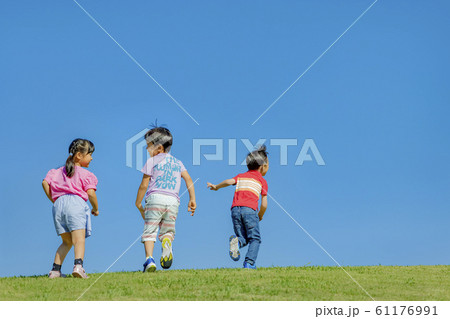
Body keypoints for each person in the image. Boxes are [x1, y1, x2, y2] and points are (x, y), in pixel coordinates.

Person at [135, 126, 196, 272]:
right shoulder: (178, 163)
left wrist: (138, 202)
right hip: (173, 201)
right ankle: (167, 240)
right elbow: (188, 179)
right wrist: (192, 198)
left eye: (148, 146)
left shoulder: (152, 161)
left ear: (159, 148)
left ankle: (149, 259)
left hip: (155, 198)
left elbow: (144, 184)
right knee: (167, 230)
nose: (147, 150)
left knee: (150, 230)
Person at [42, 138, 99, 279]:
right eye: (90, 154)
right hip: (75, 204)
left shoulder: (56, 172)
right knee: (78, 240)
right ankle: (78, 267)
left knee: (66, 241)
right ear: (79, 155)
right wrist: (95, 208)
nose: (91, 158)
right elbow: (91, 193)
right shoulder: (86, 174)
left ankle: (55, 271)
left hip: (58, 206)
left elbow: (44, 183)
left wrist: (54, 199)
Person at [207, 145, 269, 269]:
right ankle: (249, 263)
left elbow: (229, 181)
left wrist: (216, 186)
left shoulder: (241, 176)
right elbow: (264, 204)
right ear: (263, 167)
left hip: (235, 210)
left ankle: (237, 242)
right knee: (255, 239)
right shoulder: (262, 181)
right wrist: (260, 215)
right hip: (250, 210)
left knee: (243, 237)